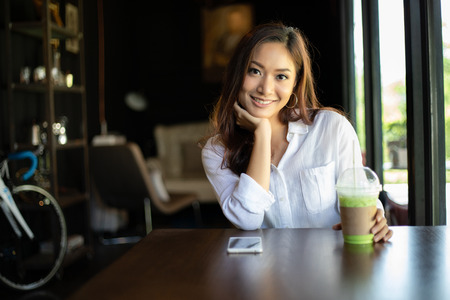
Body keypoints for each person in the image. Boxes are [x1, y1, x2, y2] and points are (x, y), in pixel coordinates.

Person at [201, 22, 393, 243]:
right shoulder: (217, 151)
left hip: (331, 271)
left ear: (295, 83)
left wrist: (376, 218)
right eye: (255, 71)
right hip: (265, 274)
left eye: (281, 76)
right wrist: (262, 134)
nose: (265, 88)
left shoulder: (332, 128)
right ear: (237, 73)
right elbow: (247, 219)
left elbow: (359, 196)